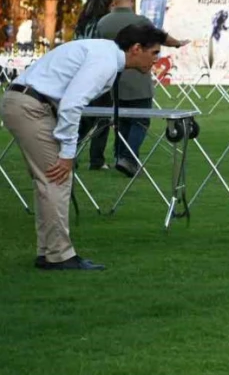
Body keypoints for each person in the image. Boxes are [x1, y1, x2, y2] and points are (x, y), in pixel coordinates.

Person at [1, 23, 168, 271]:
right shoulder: (106, 61)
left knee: (49, 181)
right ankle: (59, 256)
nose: (156, 60)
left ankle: (49, 252)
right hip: (31, 106)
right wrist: (68, 153)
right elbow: (71, 105)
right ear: (136, 48)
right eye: (154, 53)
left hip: (26, 103)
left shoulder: (105, 53)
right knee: (56, 178)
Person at [97, 0, 189, 177]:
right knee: (140, 122)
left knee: (121, 122)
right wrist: (178, 43)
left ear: (114, 1)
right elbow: (161, 37)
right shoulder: (140, 21)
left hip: (114, 79)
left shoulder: (103, 23)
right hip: (139, 78)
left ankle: (120, 157)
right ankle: (129, 159)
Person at [73, 0, 115, 171]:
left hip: (81, 73)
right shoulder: (103, 24)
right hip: (98, 74)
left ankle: (71, 152)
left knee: (85, 118)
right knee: (102, 117)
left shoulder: (83, 23)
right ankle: (96, 159)